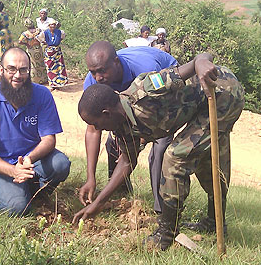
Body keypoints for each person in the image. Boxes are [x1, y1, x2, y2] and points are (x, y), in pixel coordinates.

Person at [74, 53, 244, 251]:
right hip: (200, 108)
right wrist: (98, 203)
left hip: (222, 91)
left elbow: (196, 62)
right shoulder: (121, 125)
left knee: (175, 156)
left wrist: (202, 61)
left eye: (95, 124)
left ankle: (166, 233)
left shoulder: (145, 90)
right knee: (204, 159)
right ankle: (214, 222)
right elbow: (127, 162)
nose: (97, 129)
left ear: (106, 113)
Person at [0, 47, 71, 216]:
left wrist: (29, 159)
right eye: (11, 69)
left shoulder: (42, 95)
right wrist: (13, 170)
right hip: (0, 166)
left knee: (61, 164)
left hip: (31, 162)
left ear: (29, 70)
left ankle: (35, 193)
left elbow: (49, 140)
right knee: (17, 208)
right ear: (1, 70)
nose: (18, 75)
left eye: (23, 70)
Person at [80, 41, 177, 217]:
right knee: (114, 142)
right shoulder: (93, 81)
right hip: (127, 103)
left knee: (160, 149)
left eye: (102, 70)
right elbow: (94, 128)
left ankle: (161, 210)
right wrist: (90, 177)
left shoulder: (146, 69)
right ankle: (120, 194)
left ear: (116, 62)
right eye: (93, 72)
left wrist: (139, 140)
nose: (98, 77)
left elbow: (159, 116)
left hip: (163, 96)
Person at [37, 19, 68, 89]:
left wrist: (58, 41)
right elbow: (39, 38)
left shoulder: (60, 32)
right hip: (49, 52)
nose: (52, 26)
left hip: (57, 52)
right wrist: (45, 42)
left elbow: (62, 37)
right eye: (51, 25)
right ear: (49, 26)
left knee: (59, 67)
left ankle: (59, 83)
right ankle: (52, 84)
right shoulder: (45, 32)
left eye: (54, 25)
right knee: (50, 68)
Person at [18, 18, 47, 84]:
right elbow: (43, 38)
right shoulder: (38, 30)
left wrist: (27, 44)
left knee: (32, 64)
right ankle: (43, 79)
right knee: (41, 64)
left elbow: (19, 41)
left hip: (31, 50)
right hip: (39, 49)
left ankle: (34, 80)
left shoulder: (25, 33)